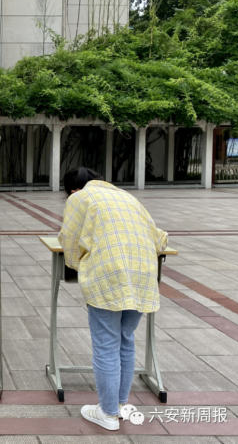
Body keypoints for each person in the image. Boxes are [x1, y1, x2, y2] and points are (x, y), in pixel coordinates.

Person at [58, 167, 168, 431]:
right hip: (143, 273)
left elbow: (70, 242)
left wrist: (80, 266)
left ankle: (107, 414)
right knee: (125, 340)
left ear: (73, 189)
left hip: (108, 274)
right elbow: (159, 238)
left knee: (106, 344)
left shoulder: (79, 198)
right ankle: (118, 405)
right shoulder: (128, 197)